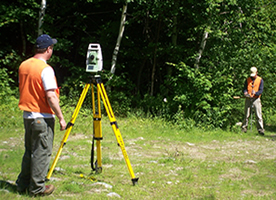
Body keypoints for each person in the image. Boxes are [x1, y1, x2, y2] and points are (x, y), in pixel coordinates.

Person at [16, 34, 67, 196]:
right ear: (48, 49)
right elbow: (51, 96)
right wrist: (61, 117)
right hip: (42, 117)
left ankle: (22, 184)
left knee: (29, 151)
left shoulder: (24, 65)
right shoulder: (45, 69)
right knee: (41, 152)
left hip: (28, 116)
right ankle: (37, 188)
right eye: (52, 48)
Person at [241, 66, 265, 135]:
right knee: (246, 115)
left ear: (256, 73)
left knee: (258, 115)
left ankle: (260, 130)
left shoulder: (260, 80)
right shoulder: (248, 79)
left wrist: (256, 93)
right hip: (248, 99)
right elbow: (245, 88)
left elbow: (261, 90)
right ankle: (244, 128)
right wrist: (245, 92)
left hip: (256, 99)